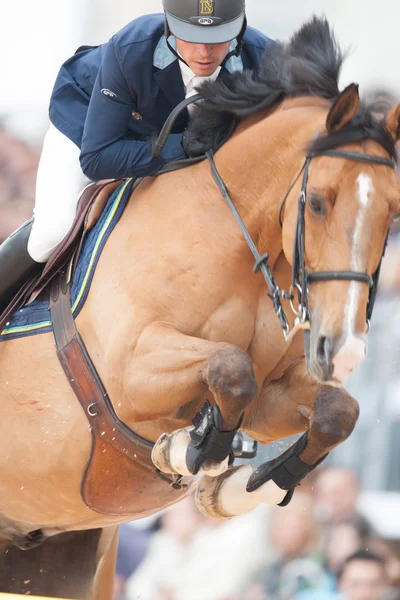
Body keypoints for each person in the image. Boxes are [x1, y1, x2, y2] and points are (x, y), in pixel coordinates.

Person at [0, 0, 271, 318]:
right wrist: (181, 146)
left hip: (167, 136)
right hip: (89, 124)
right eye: (191, 37)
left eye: (217, 38)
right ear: (170, 28)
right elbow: (98, 157)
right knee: (52, 231)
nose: (204, 53)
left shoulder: (264, 58)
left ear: (239, 32)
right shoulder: (131, 47)